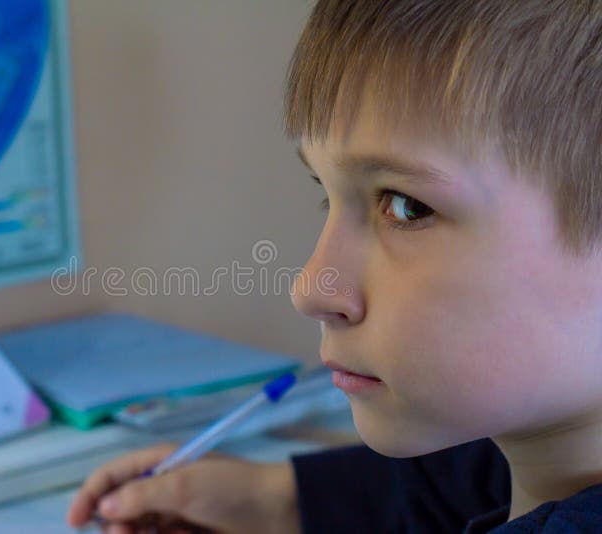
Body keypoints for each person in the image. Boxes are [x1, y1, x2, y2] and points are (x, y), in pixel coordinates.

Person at [67, 0, 602, 532]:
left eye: (406, 207)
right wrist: (275, 499)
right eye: (327, 194)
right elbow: (452, 483)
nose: (309, 289)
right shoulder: (534, 451)